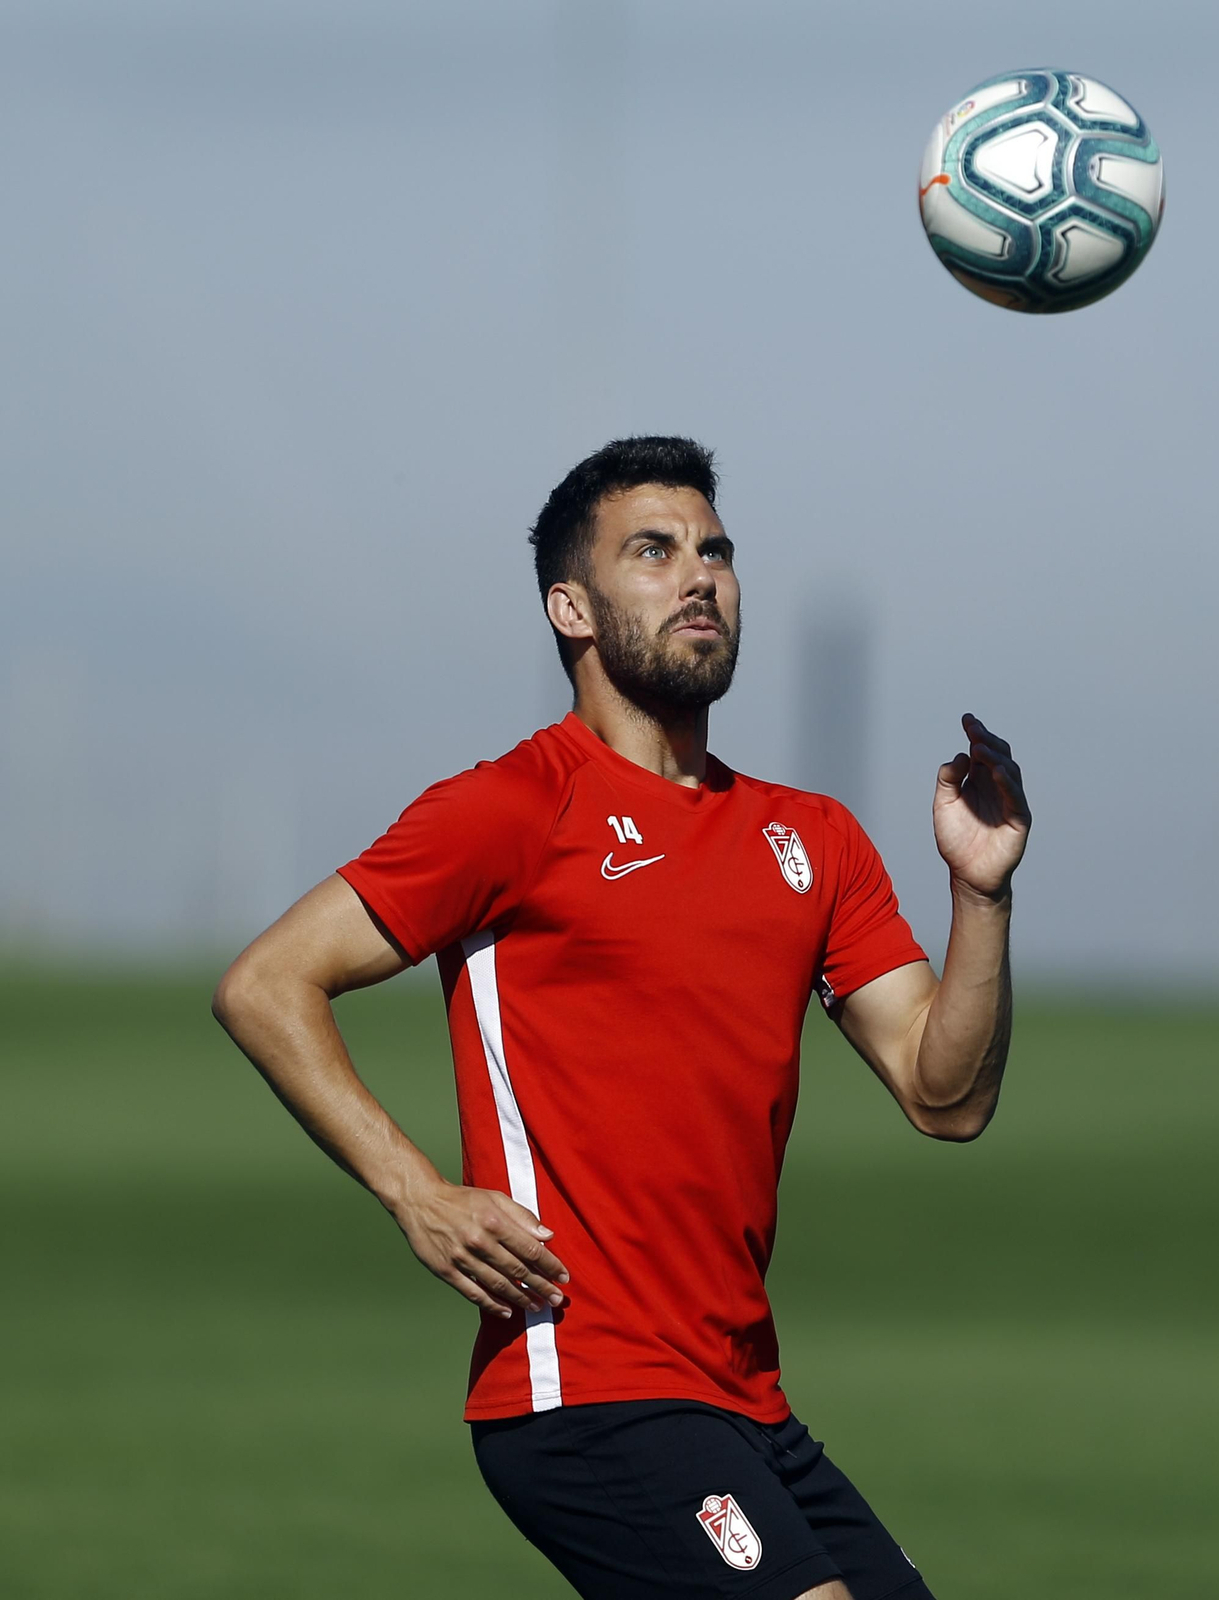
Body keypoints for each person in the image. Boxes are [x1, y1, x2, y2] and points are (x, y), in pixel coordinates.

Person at [213, 436, 1030, 1600]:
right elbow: (265, 982)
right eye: (652, 551)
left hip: (745, 1397)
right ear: (571, 605)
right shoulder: (511, 808)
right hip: (582, 1386)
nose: (699, 575)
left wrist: (979, 893)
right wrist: (416, 1191)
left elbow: (946, 1097)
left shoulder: (814, 839)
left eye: (715, 550)